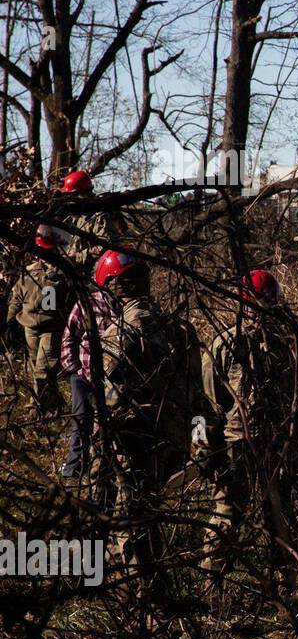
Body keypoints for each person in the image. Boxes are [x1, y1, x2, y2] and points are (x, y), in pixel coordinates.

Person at [198, 269, 298, 594]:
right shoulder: (244, 344)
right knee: (253, 513)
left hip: (265, 443)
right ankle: (227, 589)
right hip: (257, 443)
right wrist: (204, 452)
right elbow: (208, 405)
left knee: (256, 514)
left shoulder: (277, 345)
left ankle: (266, 590)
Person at [93, 249, 187, 598]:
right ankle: (154, 587)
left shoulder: (122, 331)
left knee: (130, 516)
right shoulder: (173, 324)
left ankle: (139, 595)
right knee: (147, 510)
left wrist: (103, 441)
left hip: (135, 435)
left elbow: (111, 394)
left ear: (116, 287)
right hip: (169, 432)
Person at [4, 225, 71, 415]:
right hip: (29, 327)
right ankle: (54, 405)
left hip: (52, 327)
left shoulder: (63, 271)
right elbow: (17, 297)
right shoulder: (30, 271)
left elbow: (71, 299)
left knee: (44, 369)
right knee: (36, 368)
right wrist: (8, 322)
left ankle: (37, 409)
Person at [59, 270, 114, 479]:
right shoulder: (89, 303)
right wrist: (74, 369)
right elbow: (69, 335)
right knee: (81, 422)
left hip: (110, 382)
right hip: (83, 376)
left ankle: (102, 470)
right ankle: (74, 470)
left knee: (107, 425)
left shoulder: (128, 308)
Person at [56, 170, 125, 269]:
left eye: (70, 196)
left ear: (80, 195)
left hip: (96, 273)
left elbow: (106, 246)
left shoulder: (99, 216)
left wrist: (76, 257)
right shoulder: (78, 219)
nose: (68, 201)